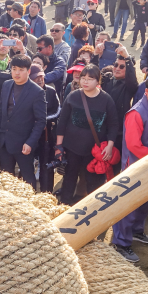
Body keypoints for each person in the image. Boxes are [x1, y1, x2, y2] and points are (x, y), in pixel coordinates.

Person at [111, 73, 148, 262]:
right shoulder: (135, 113)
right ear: (146, 92)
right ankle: (120, 242)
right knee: (129, 205)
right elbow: (133, 144)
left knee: (145, 201)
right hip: (136, 166)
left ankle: (136, 231)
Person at [56, 63, 120, 204]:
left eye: (90, 78)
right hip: (71, 147)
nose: (85, 81)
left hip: (94, 150)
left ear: (98, 81)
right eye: (83, 77)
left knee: (94, 181)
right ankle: (64, 205)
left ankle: (93, 209)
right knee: (69, 177)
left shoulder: (106, 100)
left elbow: (113, 124)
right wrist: (59, 146)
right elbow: (62, 122)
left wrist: (109, 146)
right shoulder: (73, 96)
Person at [0, 54, 46, 186]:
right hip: (5, 141)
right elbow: (1, 111)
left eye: (21, 70)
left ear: (28, 71)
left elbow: (41, 121)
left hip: (24, 143)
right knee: (6, 178)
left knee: (27, 178)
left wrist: (30, 142)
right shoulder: (6, 85)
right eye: (14, 69)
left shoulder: (37, 92)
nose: (17, 73)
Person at [101, 45, 137, 149]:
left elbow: (132, 81)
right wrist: (96, 55)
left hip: (119, 131)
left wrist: (127, 57)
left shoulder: (129, 85)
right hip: (101, 126)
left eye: (122, 67)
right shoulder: (107, 78)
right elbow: (92, 77)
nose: (117, 68)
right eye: (116, 65)